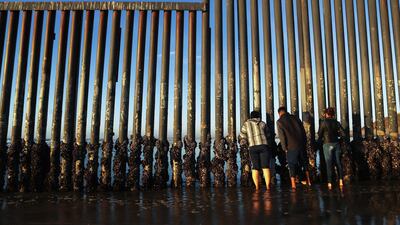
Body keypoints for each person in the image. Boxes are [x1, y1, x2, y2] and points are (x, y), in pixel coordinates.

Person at [276, 106, 311, 189]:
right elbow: (303, 131)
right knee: (305, 163)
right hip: (301, 144)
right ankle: (309, 181)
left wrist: (284, 148)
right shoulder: (296, 118)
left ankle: (293, 185)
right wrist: (304, 143)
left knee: (291, 165)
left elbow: (282, 136)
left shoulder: (279, 121)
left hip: (291, 146)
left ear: (279, 113)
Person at [239, 111, 273, 190]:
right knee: (265, 166)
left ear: (251, 117)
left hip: (253, 146)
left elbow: (242, 136)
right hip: (264, 146)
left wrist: (244, 142)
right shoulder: (263, 123)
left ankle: (257, 187)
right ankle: (268, 186)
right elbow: (268, 135)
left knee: (255, 167)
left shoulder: (246, 124)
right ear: (258, 116)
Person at [317, 107, 346, 190]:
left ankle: (329, 183)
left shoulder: (323, 122)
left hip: (327, 144)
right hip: (336, 144)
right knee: (338, 162)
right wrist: (339, 139)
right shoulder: (337, 122)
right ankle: (341, 181)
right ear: (333, 115)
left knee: (329, 164)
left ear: (326, 114)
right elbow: (343, 134)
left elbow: (319, 134)